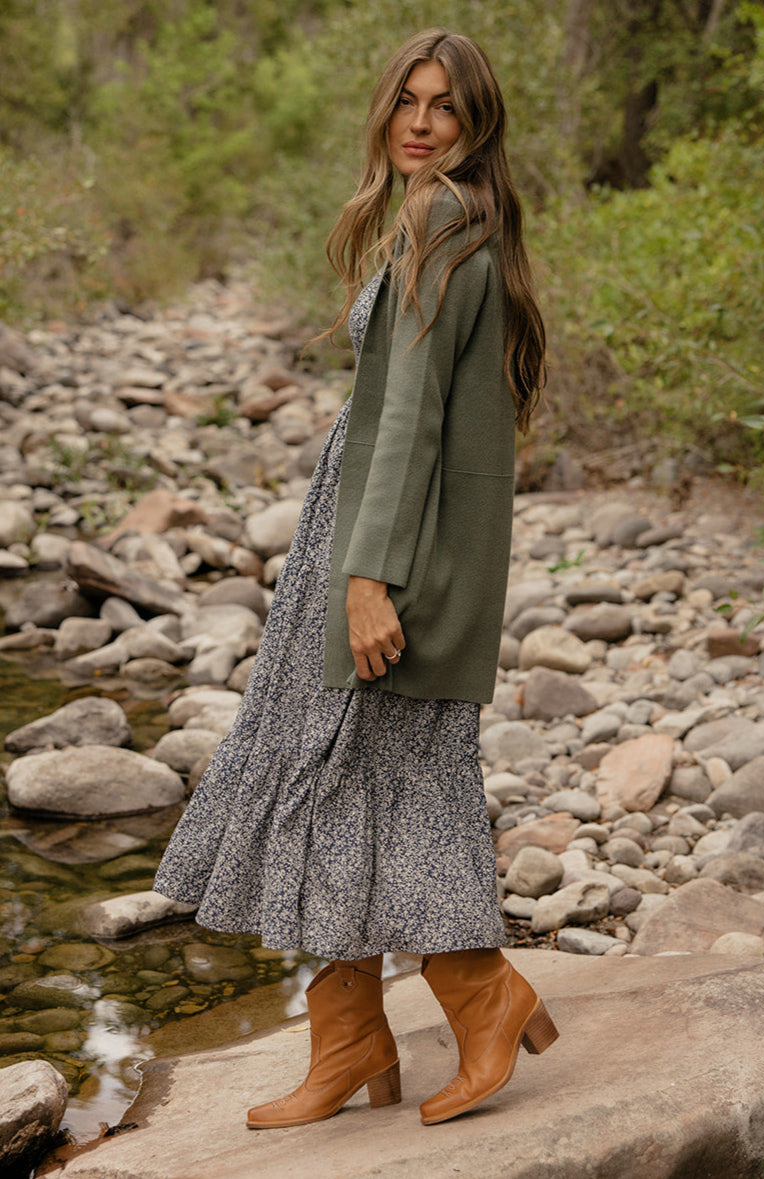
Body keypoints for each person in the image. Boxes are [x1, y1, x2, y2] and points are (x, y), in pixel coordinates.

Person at [153, 27, 558, 1129]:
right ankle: (349, 1038)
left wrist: (369, 576)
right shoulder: (463, 221)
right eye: (409, 102)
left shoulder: (440, 216)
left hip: (386, 544)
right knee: (331, 771)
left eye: (449, 108)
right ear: (386, 111)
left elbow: (419, 417)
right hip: (373, 528)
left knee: (377, 772)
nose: (423, 123)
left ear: (477, 128)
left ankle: (483, 997)